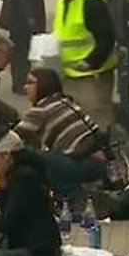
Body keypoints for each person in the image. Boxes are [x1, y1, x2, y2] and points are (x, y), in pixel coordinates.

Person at [15, 67, 108, 207]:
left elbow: (13, 139)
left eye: (30, 82)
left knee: (34, 157)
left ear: (43, 85)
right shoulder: (65, 101)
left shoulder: (41, 110)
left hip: (83, 165)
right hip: (100, 163)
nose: (25, 87)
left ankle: (76, 199)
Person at [54, 0, 118, 129]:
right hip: (69, 77)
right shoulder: (62, 1)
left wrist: (90, 62)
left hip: (93, 78)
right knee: (75, 127)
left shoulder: (92, 2)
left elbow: (107, 38)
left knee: (97, 124)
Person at [0, 0, 46, 94]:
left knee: (25, 53)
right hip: (20, 23)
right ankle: (19, 83)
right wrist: (30, 17)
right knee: (20, 54)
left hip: (24, 22)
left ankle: (22, 80)